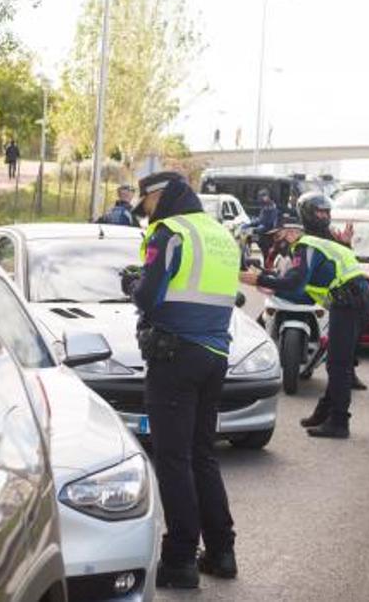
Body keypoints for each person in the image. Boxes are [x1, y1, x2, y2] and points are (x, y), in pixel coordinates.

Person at [120, 171, 240, 589]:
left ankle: (181, 561)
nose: (146, 214)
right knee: (202, 454)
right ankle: (222, 552)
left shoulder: (169, 231)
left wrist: (132, 282)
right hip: (215, 355)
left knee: (173, 459)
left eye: (146, 204)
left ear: (161, 195)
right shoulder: (220, 235)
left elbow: (149, 295)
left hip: (175, 356)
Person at [240, 193, 369, 438]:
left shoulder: (307, 245)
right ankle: (324, 411)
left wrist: (258, 279)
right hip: (359, 299)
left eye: (326, 212)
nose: (324, 216)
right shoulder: (327, 243)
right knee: (338, 361)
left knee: (338, 365)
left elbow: (295, 282)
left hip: (349, 301)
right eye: (319, 212)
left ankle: (339, 423)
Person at [249, 188, 280, 264]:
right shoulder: (264, 206)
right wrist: (251, 223)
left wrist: (261, 226)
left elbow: (270, 222)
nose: (262, 198)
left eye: (264, 196)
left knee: (268, 254)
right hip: (264, 235)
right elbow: (261, 219)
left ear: (268, 196)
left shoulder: (272, 207)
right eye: (261, 196)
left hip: (269, 234)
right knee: (264, 253)